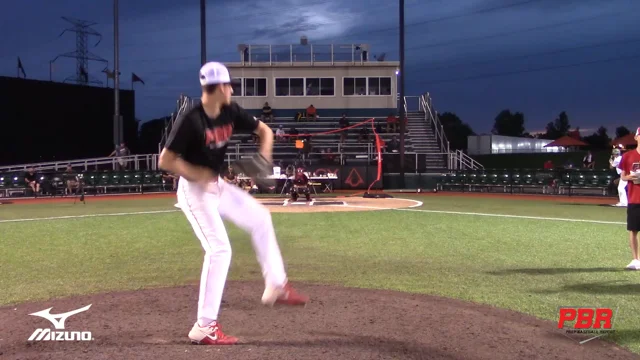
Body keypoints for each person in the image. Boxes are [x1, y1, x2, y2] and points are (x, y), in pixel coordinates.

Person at [158, 61, 308, 346]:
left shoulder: (230, 111)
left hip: (218, 185)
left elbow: (266, 131)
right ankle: (204, 326)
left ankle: (276, 285)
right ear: (219, 88)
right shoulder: (192, 119)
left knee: (261, 218)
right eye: (229, 85)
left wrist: (263, 159)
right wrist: (195, 173)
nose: (232, 90)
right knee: (219, 250)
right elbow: (165, 160)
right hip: (194, 191)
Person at [617, 128, 640, 270]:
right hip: (634, 198)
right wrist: (630, 177)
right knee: (633, 230)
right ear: (636, 137)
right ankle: (635, 260)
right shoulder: (628, 156)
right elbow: (623, 176)